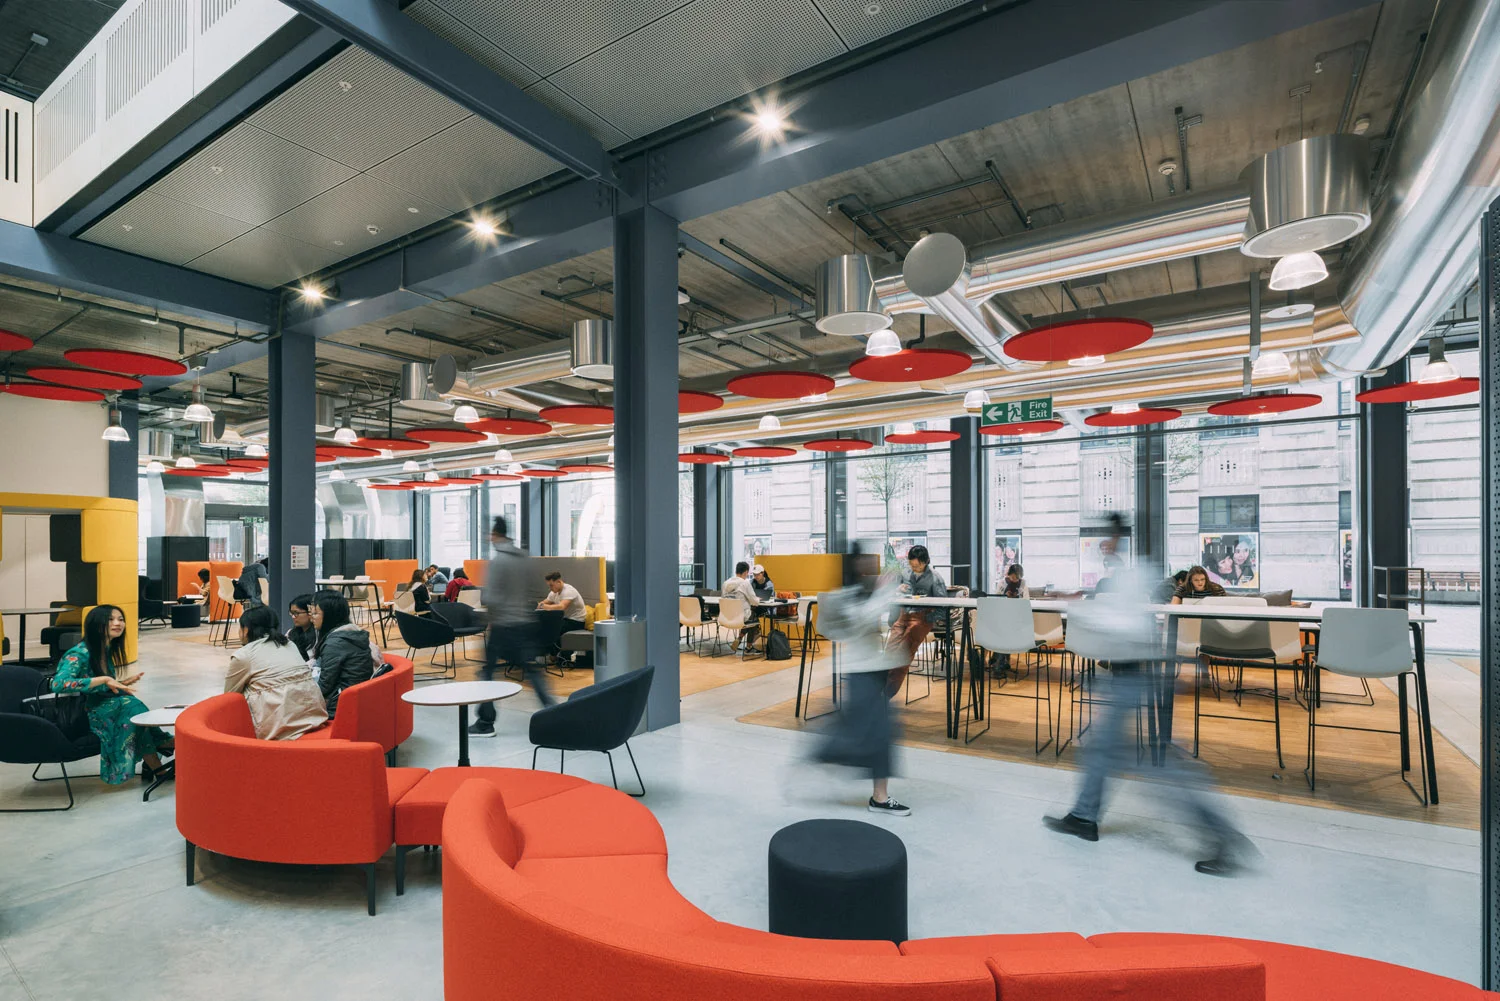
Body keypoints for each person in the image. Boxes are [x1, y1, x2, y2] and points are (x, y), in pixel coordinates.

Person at [1044, 513, 1252, 875]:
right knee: (1104, 747)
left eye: (1106, 538)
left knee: (1160, 766)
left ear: (1117, 539)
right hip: (1129, 670)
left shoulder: (1135, 574)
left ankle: (1223, 837)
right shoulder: (1126, 574)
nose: (1102, 546)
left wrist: (1077, 606)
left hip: (1136, 671)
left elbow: (1123, 623)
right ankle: (1083, 816)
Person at [812, 544, 910, 816]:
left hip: (872, 669)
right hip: (861, 672)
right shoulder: (846, 597)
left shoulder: (860, 593)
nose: (871, 567)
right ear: (854, 566)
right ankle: (877, 796)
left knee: (875, 733)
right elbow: (861, 620)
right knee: (873, 734)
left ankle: (878, 795)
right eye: (865, 562)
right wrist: (884, 591)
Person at [50, 605, 174, 785]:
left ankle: (158, 763)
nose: (118, 623)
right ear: (95, 624)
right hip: (87, 711)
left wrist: (121, 683)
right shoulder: (79, 653)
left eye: (121, 619)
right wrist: (104, 679)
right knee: (131, 706)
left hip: (104, 704)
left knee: (131, 706)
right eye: (110, 620)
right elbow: (58, 684)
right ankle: (162, 745)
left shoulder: (104, 648)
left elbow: (100, 685)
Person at [472, 516, 553, 737]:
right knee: (532, 671)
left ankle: (485, 722)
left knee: (488, 672)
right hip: (525, 624)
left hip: (503, 626)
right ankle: (553, 712)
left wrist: (487, 617)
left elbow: (491, 597)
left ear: (495, 535)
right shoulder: (524, 558)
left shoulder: (498, 562)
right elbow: (537, 590)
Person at [224, 606, 327, 740]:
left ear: (246, 629)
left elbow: (229, 696)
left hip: (279, 728)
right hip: (315, 717)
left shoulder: (243, 655)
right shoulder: (289, 644)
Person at [886, 545, 947, 693]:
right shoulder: (905, 573)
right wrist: (897, 590)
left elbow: (943, 607)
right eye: (911, 565)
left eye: (917, 566)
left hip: (921, 618)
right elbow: (892, 594)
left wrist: (928, 618)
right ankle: (877, 691)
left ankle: (886, 695)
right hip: (903, 615)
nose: (914, 569)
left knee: (902, 656)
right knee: (888, 655)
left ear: (926, 562)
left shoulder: (935, 578)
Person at [310, 591, 374, 717]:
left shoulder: (335, 643)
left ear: (330, 615)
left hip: (339, 706)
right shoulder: (351, 634)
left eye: (316, 613)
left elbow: (324, 686)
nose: (312, 617)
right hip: (355, 700)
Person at [720, 561, 762, 651]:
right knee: (754, 619)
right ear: (746, 572)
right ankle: (749, 646)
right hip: (741, 617)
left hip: (726, 617)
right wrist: (758, 599)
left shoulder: (725, 583)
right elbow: (754, 601)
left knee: (749, 620)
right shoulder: (745, 583)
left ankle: (740, 638)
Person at [286, 593, 317, 659]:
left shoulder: (318, 635)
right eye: (291, 613)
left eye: (296, 613)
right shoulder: (290, 633)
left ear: (310, 612)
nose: (293, 617)